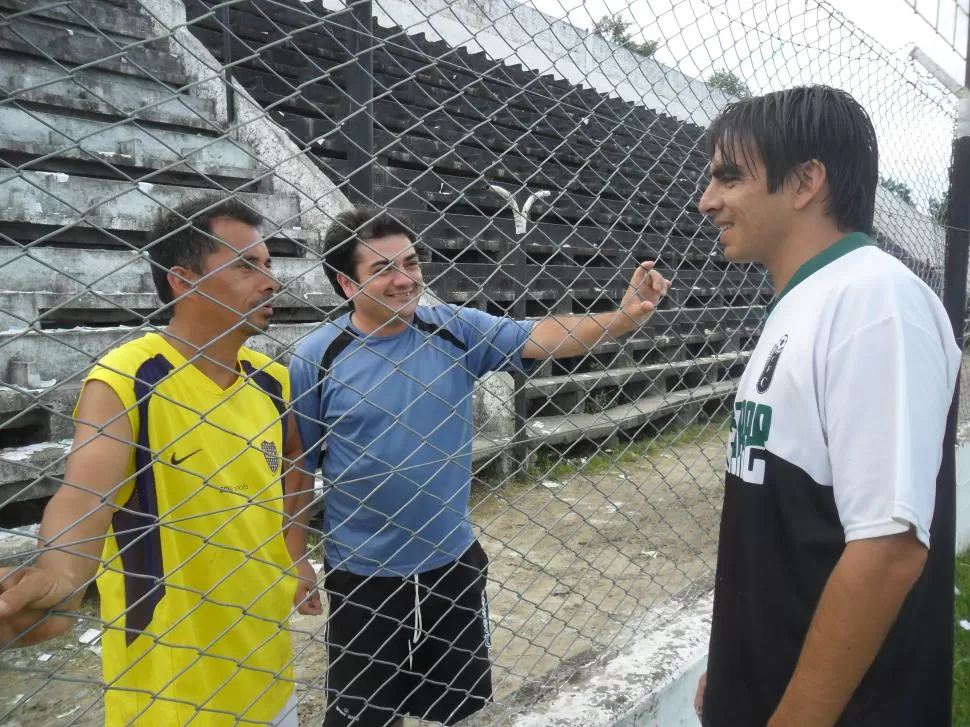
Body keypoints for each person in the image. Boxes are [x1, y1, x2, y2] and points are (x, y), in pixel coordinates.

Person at [288, 206, 671, 726]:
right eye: (382, 270)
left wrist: (625, 318)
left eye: (412, 261)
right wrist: (296, 559)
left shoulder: (454, 329)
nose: (405, 280)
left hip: (451, 560)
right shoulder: (317, 357)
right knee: (364, 717)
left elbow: (542, 336)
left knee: (459, 711)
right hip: (363, 573)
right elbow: (299, 465)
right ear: (345, 282)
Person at [693, 85, 961, 726]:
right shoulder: (807, 301)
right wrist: (731, 661)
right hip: (761, 682)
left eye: (729, 177)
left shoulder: (876, 303)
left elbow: (888, 549)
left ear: (807, 180)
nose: (707, 202)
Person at [0, 197, 322, 726]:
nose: (271, 281)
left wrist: (293, 551)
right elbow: (84, 496)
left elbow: (294, 458)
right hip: (171, 694)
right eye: (247, 265)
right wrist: (59, 572)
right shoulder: (127, 379)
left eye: (269, 264)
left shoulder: (272, 380)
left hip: (269, 672)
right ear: (183, 280)